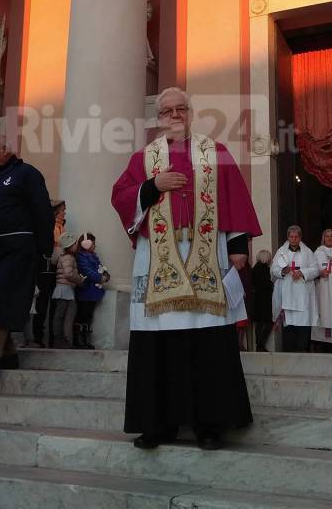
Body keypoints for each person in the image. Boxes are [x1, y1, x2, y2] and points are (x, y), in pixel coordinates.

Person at [112, 86, 262, 450]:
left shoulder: (216, 153)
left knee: (207, 342)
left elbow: (235, 197)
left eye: (181, 109)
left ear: (190, 114)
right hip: (160, 256)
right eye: (167, 111)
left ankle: (209, 424)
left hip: (207, 255)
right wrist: (152, 186)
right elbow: (120, 196)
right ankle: (157, 424)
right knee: (158, 344)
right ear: (158, 118)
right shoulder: (142, 159)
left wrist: (238, 247)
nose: (175, 115)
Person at [0, 135, 52, 380]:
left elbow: (42, 211)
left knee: (0, 296)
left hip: (15, 248)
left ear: (6, 150)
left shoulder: (26, 174)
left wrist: (44, 249)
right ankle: (9, 354)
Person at [271, 226, 319, 353]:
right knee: (289, 329)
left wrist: (302, 272)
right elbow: (273, 270)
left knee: (303, 328)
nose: (293, 239)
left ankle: (302, 353)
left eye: (296, 237)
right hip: (287, 296)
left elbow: (315, 270)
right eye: (291, 237)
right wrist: (282, 271)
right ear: (288, 237)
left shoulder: (308, 252)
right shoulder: (281, 251)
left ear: (300, 237)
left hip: (303, 296)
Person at [30, 199, 65, 348]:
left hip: (54, 271)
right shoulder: (50, 228)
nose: (64, 213)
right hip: (44, 270)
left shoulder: (60, 228)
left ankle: (50, 338)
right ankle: (37, 336)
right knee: (42, 305)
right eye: (63, 210)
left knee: (52, 306)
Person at [73, 232, 109, 349]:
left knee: (89, 316)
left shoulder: (93, 256)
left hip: (93, 292)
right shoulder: (81, 257)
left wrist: (106, 275)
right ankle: (78, 340)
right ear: (86, 244)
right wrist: (100, 278)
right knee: (82, 315)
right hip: (85, 291)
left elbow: (100, 267)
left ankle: (86, 339)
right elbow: (87, 271)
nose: (95, 245)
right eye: (93, 243)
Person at [51, 232, 82, 349]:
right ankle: (59, 340)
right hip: (64, 289)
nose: (76, 246)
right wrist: (80, 280)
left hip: (66, 289)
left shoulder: (67, 257)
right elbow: (69, 273)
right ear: (70, 245)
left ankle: (66, 340)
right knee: (60, 316)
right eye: (75, 244)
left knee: (68, 315)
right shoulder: (68, 257)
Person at [251, 250, 274, 352]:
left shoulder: (255, 268)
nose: (271, 260)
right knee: (267, 323)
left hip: (257, 300)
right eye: (269, 258)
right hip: (264, 300)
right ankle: (260, 345)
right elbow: (266, 284)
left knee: (260, 323)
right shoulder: (263, 269)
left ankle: (259, 345)